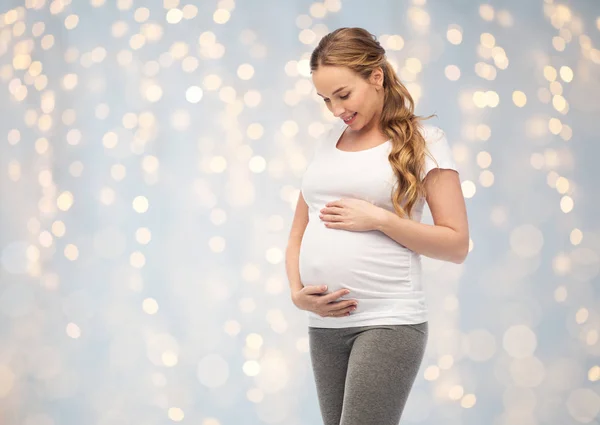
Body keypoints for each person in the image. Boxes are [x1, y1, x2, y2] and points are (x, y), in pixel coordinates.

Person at [285, 27, 469, 425]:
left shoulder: (425, 141)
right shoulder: (326, 142)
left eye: (343, 94)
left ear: (376, 76)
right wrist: (297, 294)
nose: (336, 110)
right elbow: (298, 231)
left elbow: (456, 245)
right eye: (326, 100)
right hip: (325, 323)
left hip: (388, 320)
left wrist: (380, 219)